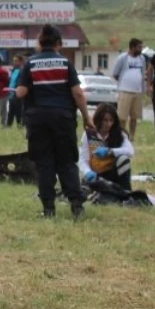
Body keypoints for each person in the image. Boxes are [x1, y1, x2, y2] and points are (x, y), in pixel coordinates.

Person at [16, 23, 94, 219]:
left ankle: (49, 209)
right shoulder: (65, 64)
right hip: (63, 119)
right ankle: (76, 206)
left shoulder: (31, 64)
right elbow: (77, 93)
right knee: (67, 162)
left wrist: (19, 91)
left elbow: (22, 92)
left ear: (40, 43)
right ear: (59, 43)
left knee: (44, 163)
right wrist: (87, 117)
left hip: (38, 120)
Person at [79, 103, 135, 188]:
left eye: (111, 120)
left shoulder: (119, 134)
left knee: (123, 159)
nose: (109, 124)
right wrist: (87, 172)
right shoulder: (89, 135)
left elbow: (130, 151)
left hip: (113, 173)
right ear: (98, 120)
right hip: (96, 175)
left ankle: (126, 191)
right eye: (105, 120)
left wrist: (110, 151)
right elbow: (83, 159)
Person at [109, 38, 147, 141]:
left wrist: (143, 88)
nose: (141, 49)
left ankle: (132, 136)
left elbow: (143, 73)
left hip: (137, 91)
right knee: (122, 117)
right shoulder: (122, 58)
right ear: (132, 47)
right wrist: (124, 83)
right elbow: (115, 74)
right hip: (125, 91)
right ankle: (122, 135)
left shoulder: (142, 59)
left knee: (134, 117)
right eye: (139, 47)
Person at [5, 55, 24, 127]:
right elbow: (11, 81)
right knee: (11, 111)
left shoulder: (22, 70)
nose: (14, 62)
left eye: (16, 61)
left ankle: (19, 126)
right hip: (11, 93)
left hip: (17, 93)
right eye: (14, 61)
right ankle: (8, 125)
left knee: (18, 111)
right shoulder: (13, 70)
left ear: (21, 61)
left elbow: (21, 82)